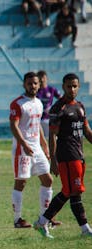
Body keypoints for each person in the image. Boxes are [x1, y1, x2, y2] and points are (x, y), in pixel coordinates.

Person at [34, 73, 92, 238]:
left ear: (78, 87)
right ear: (63, 87)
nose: (72, 89)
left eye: (74, 86)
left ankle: (44, 221)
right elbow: (52, 136)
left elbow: (86, 131)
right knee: (72, 191)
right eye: (69, 86)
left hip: (79, 155)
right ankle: (83, 228)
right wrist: (53, 160)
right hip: (66, 156)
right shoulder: (58, 109)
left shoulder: (80, 106)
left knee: (71, 191)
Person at [10, 71, 56, 231]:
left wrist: (44, 145)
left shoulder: (38, 103)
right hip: (22, 150)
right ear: (24, 85)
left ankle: (45, 218)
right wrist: (23, 144)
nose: (33, 86)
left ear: (39, 85)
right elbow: (13, 126)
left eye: (35, 83)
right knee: (21, 183)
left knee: (48, 180)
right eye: (29, 83)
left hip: (36, 149)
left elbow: (38, 126)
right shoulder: (18, 104)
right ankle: (17, 220)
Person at [36, 70, 62, 138]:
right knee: (39, 139)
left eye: (43, 78)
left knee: (52, 138)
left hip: (48, 119)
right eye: (40, 78)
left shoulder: (51, 89)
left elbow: (62, 99)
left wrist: (55, 108)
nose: (42, 80)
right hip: (38, 119)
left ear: (46, 78)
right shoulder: (35, 91)